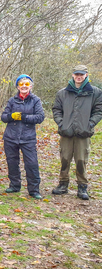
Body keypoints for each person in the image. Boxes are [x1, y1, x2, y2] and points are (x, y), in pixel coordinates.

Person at [52, 65, 102, 200]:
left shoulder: (95, 92)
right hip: (66, 132)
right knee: (64, 159)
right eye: (76, 74)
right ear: (73, 75)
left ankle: (82, 187)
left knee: (81, 160)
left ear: (86, 75)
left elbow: (99, 111)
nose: (79, 76)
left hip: (83, 133)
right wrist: (61, 123)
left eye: (81, 74)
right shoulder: (62, 93)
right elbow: (56, 109)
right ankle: (63, 184)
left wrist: (90, 124)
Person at [1, 74, 44, 199]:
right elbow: (3, 117)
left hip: (28, 138)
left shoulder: (35, 100)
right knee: (12, 162)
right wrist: (11, 116)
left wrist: (24, 117)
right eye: (21, 84)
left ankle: (34, 190)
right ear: (17, 87)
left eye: (26, 84)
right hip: (10, 137)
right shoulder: (12, 100)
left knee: (31, 164)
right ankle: (14, 185)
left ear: (30, 86)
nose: (24, 86)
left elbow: (40, 117)